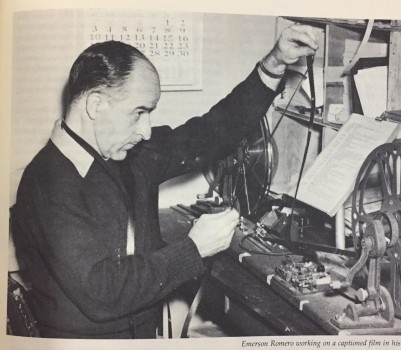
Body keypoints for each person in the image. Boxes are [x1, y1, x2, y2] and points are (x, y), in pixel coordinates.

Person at [11, 23, 318, 338]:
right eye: (139, 112)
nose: (146, 131)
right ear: (95, 105)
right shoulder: (47, 183)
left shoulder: (124, 153)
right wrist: (194, 248)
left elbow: (211, 133)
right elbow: (101, 292)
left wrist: (275, 63)